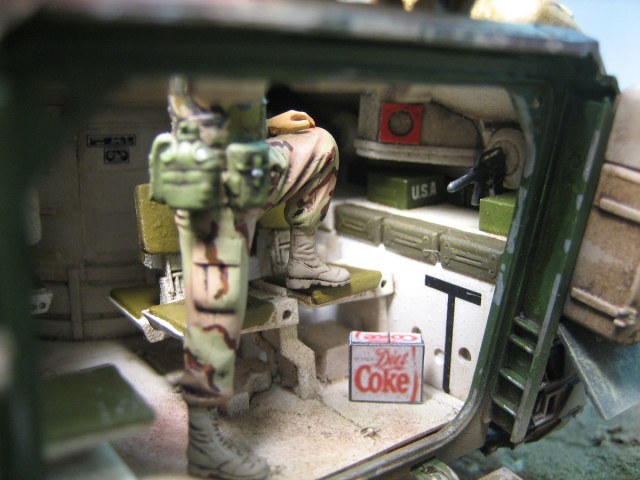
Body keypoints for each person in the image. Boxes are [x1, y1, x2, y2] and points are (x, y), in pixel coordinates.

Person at [149, 77, 350, 480]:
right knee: (218, 307)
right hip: (214, 171)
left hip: (251, 156)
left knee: (321, 144)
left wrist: (272, 125)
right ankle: (204, 442)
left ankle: (303, 261)